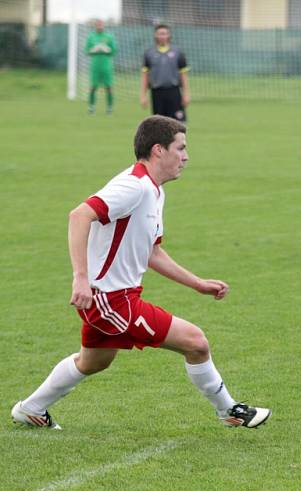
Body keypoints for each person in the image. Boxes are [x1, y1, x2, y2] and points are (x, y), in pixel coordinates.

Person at [11, 116, 270, 430]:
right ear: (159, 150)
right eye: (181, 148)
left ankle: (31, 408)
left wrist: (198, 284)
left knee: (93, 361)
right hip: (110, 299)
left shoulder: (155, 191)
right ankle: (229, 410)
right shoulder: (133, 186)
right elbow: (79, 215)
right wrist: (80, 277)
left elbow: (152, 253)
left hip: (114, 297)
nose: (186, 157)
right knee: (196, 342)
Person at [140, 24, 190, 122]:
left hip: (174, 92)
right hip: (156, 93)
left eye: (165, 34)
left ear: (169, 36)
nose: (162, 36)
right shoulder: (149, 53)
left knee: (178, 124)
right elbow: (145, 76)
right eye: (160, 34)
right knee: (159, 125)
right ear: (155, 36)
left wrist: (186, 94)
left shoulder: (178, 52)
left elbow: (183, 75)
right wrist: (143, 95)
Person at [85, 19, 116, 114]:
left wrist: (107, 49)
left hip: (106, 66)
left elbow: (114, 51)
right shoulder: (91, 37)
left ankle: (110, 108)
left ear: (104, 26)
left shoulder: (109, 37)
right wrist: (94, 49)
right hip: (95, 66)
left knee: (109, 87)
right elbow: (86, 51)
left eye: (101, 25)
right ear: (95, 26)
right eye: (98, 25)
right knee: (93, 87)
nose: (100, 26)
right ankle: (91, 107)